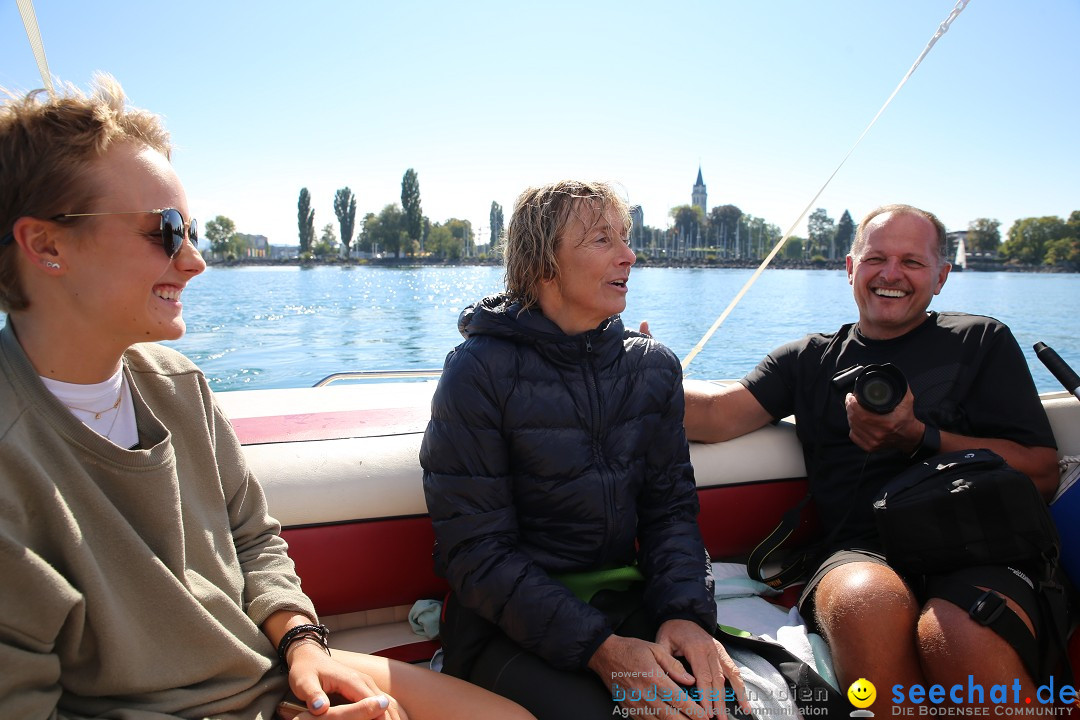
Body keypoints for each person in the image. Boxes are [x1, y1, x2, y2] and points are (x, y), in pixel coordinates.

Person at [0, 76, 532, 720]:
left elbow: (253, 540)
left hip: (273, 671)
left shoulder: (176, 386)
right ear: (47, 245)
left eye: (190, 230)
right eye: (165, 231)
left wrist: (304, 645)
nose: (195, 261)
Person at [681, 204, 1060, 708]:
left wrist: (918, 436)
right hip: (860, 552)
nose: (891, 275)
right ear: (850, 268)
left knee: (964, 631)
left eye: (912, 262)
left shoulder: (979, 342)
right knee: (865, 603)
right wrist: (635, 367)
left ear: (942, 276)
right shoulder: (808, 360)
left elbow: (1042, 472)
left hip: (980, 547)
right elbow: (715, 416)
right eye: (876, 258)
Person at [420, 181, 749, 720]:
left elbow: (669, 512)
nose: (629, 255)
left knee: (721, 709)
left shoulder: (652, 368)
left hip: (623, 601)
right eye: (603, 239)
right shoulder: (477, 373)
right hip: (505, 628)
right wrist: (601, 650)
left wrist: (685, 613)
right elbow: (476, 554)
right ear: (544, 263)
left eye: (625, 237)